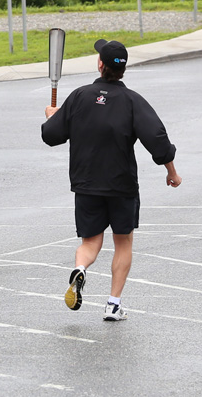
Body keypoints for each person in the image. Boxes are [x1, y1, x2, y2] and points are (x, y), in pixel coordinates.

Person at [42, 39, 182, 322]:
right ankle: (113, 304)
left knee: (90, 242)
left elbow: (51, 135)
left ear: (100, 64)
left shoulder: (80, 96)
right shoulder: (132, 101)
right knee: (123, 242)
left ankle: (80, 269)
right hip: (121, 185)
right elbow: (156, 138)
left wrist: (51, 117)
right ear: (123, 69)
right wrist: (171, 170)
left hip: (86, 183)